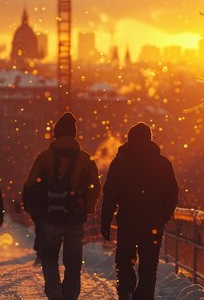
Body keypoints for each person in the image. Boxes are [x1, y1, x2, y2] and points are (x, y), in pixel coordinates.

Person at [23, 112, 101, 300]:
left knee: (49, 258)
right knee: (73, 262)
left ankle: (55, 292)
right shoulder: (86, 159)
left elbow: (30, 186)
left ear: (56, 134)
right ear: (74, 135)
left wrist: (36, 212)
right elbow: (95, 187)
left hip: (50, 217)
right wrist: (87, 208)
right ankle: (71, 295)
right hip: (75, 217)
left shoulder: (44, 157)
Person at [101, 122, 179, 300]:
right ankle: (143, 295)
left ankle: (126, 286)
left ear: (130, 139)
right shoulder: (163, 163)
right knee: (149, 266)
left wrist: (105, 222)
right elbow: (173, 194)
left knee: (124, 259)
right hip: (153, 223)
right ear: (150, 139)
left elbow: (110, 195)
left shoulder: (120, 162)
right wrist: (162, 217)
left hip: (127, 220)